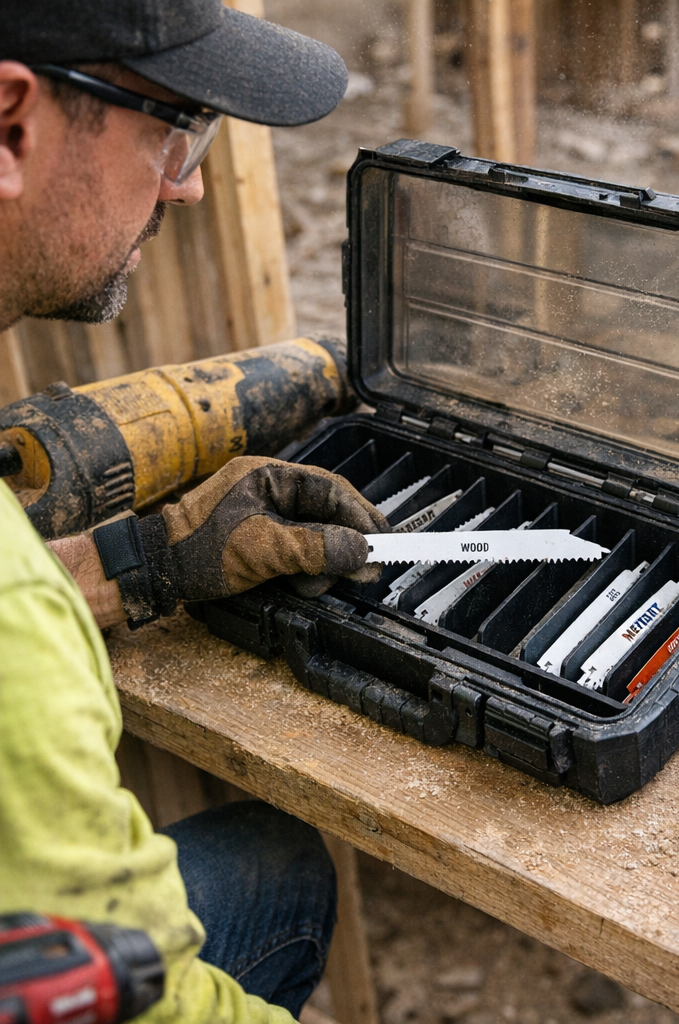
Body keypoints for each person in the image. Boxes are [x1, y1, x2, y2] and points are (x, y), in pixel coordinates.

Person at [0, 2, 389, 1020]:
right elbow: (155, 1006)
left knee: (272, 864)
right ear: (9, 125)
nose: (191, 179)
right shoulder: (17, 639)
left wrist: (151, 556)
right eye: (173, 127)